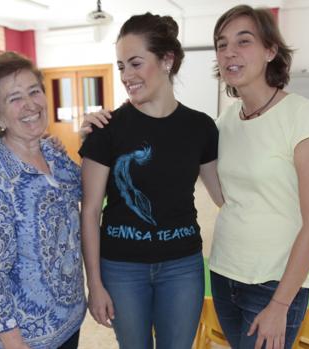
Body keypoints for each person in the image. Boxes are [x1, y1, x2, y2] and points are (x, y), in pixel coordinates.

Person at [78, 12, 224, 349]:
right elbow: (89, 212)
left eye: (135, 63)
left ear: (167, 60)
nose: (126, 76)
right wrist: (95, 283)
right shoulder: (107, 128)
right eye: (120, 67)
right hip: (122, 268)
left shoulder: (200, 128)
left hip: (182, 266)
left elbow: (223, 196)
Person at [209, 5, 309, 349]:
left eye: (243, 41)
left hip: (274, 283)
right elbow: (225, 197)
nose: (229, 52)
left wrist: (280, 304)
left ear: (270, 50)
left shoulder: (302, 115)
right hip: (223, 271)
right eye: (221, 44)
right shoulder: (226, 121)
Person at [0, 51, 85, 349]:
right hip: (26, 339)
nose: (30, 104)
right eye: (14, 98)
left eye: (34, 91)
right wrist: (14, 343)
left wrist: (88, 140)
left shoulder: (51, 152)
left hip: (67, 321)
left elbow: (84, 191)